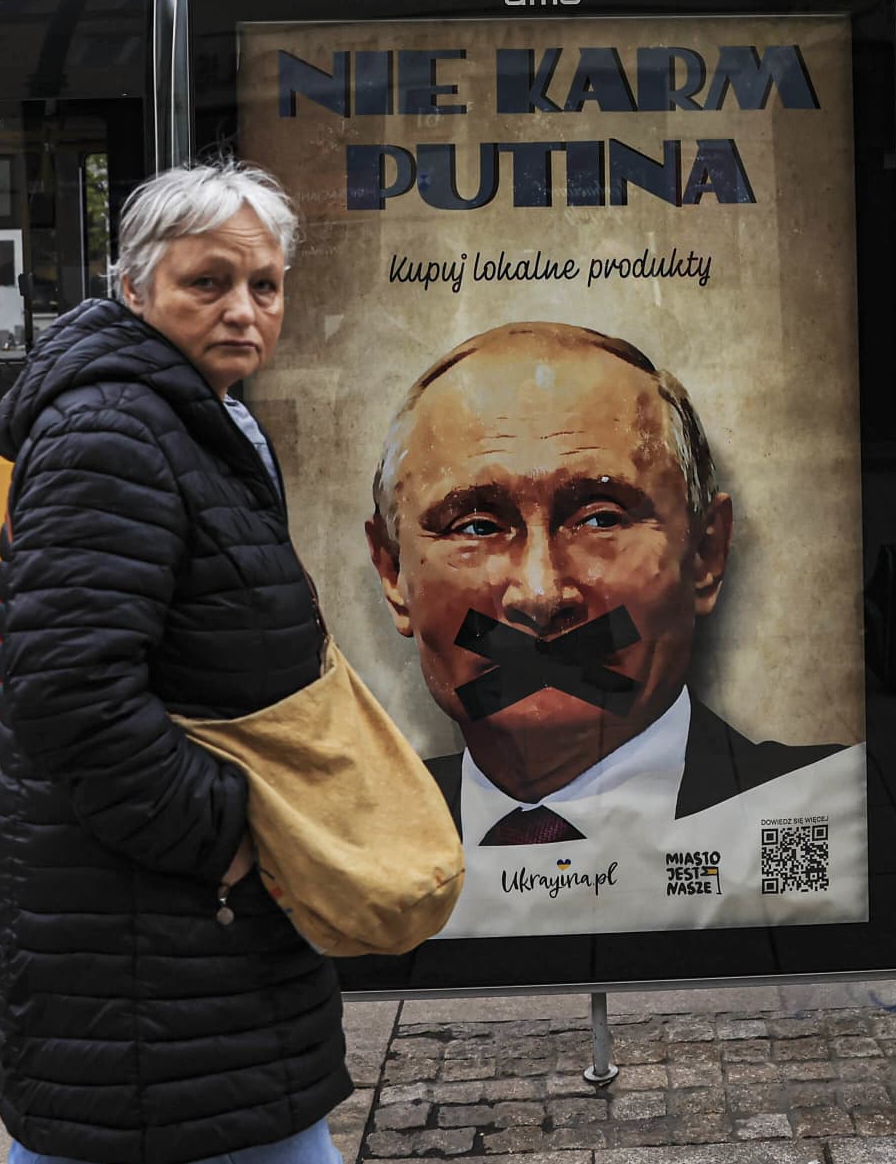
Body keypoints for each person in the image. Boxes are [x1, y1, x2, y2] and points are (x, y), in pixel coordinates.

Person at [0, 160, 356, 1164]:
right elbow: (69, 689)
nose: (243, 309)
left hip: (128, 927)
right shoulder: (115, 433)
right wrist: (224, 836)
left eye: (265, 285)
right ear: (136, 289)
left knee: (80, 1158)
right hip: (159, 920)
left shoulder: (197, 419)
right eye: (208, 282)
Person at [364, 321, 864, 937]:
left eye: (600, 519)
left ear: (707, 553)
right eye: (475, 526)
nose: (542, 597)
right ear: (391, 573)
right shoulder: (350, 851)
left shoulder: (827, 810)